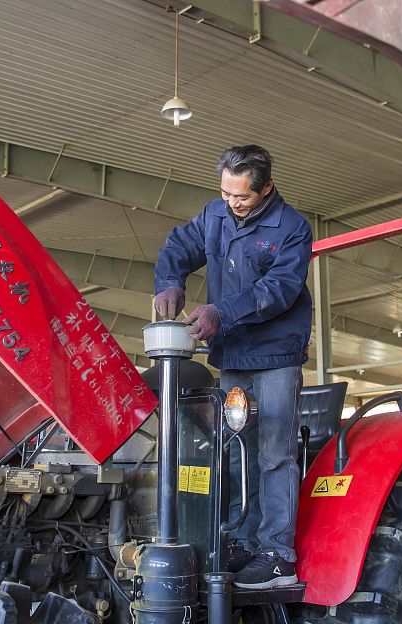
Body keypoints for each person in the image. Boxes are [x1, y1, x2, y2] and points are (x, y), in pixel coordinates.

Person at [153, 145, 313, 590]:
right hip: (234, 355)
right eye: (225, 193)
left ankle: (278, 556)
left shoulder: (293, 229)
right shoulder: (216, 214)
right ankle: (243, 539)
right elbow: (180, 245)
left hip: (276, 355)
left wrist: (221, 313)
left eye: (241, 197)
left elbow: (278, 289)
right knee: (239, 447)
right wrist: (169, 279)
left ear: (266, 189)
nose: (232, 203)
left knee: (275, 451)